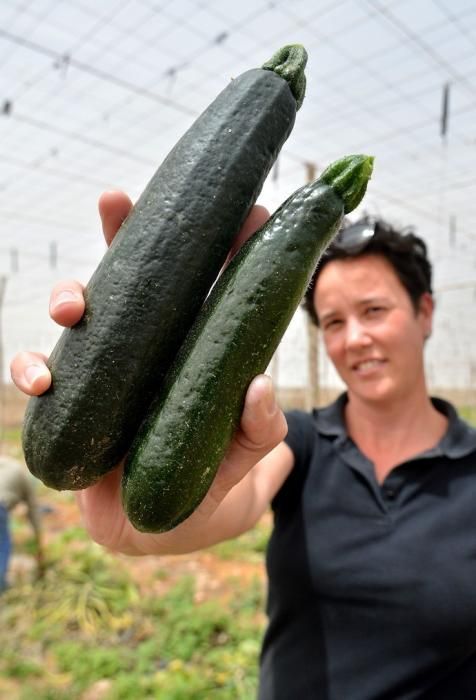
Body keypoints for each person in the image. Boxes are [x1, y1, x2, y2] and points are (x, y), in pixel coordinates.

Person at [10, 193, 476, 699]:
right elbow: (235, 497)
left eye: (374, 310)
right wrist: (136, 512)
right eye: (335, 323)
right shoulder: (299, 442)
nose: (356, 338)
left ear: (424, 312)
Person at [0, 454, 44, 591]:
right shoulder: (22, 475)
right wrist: (39, 539)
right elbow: (33, 510)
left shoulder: (5, 463)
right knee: (3, 546)